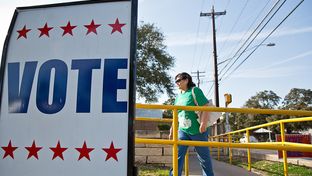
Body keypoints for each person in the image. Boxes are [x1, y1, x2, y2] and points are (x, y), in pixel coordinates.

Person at [169, 72, 214, 176]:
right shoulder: (178, 96)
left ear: (186, 80)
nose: (177, 83)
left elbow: (206, 107)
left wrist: (203, 124)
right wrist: (172, 129)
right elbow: (176, 114)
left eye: (179, 80)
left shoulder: (195, 91)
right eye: (176, 81)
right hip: (182, 131)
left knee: (203, 158)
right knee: (177, 156)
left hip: (198, 131)